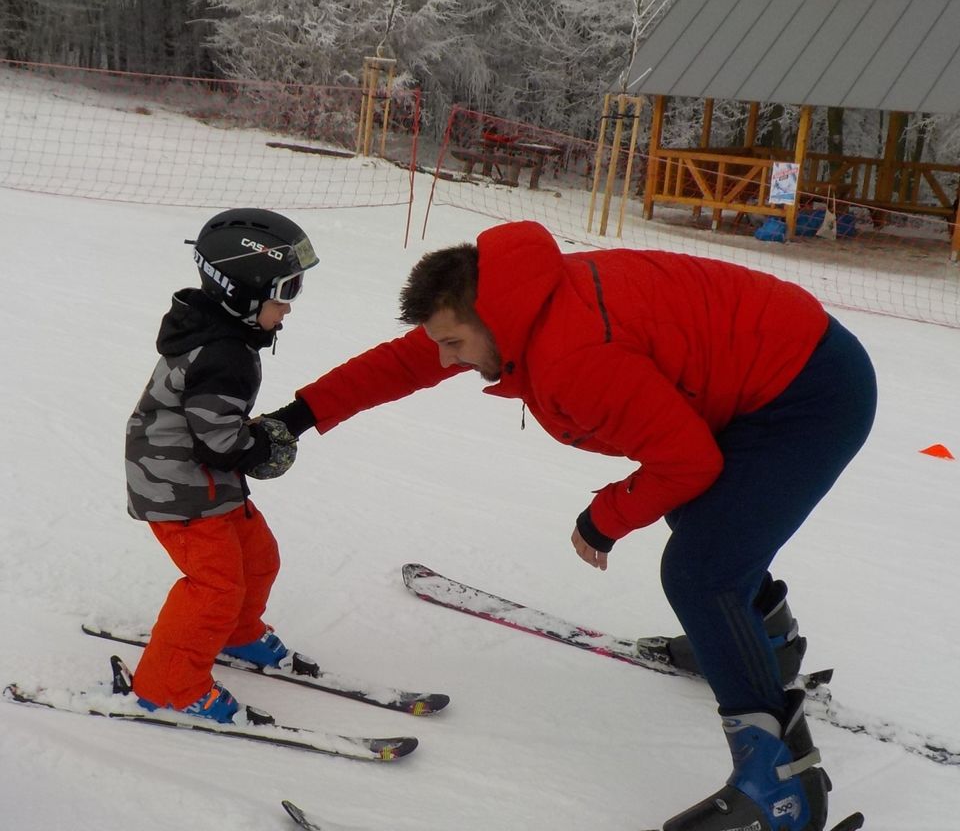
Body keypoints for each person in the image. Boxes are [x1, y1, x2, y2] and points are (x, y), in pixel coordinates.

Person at [266, 220, 876, 831]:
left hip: (810, 393)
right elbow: (405, 362)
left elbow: (688, 462)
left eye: (453, 343)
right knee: (708, 521)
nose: (446, 358)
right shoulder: (515, 298)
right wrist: (296, 416)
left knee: (700, 572)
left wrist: (603, 518)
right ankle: (760, 643)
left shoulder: (570, 357)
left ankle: (781, 787)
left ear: (490, 319)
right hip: (764, 368)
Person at [125, 207, 318, 723]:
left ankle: (235, 633)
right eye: (286, 292)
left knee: (259, 557)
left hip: (206, 481)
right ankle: (167, 687)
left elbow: (217, 433)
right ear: (242, 291)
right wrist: (264, 448)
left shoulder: (226, 339)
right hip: (176, 487)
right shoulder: (222, 354)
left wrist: (253, 439)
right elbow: (218, 442)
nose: (289, 306)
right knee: (214, 588)